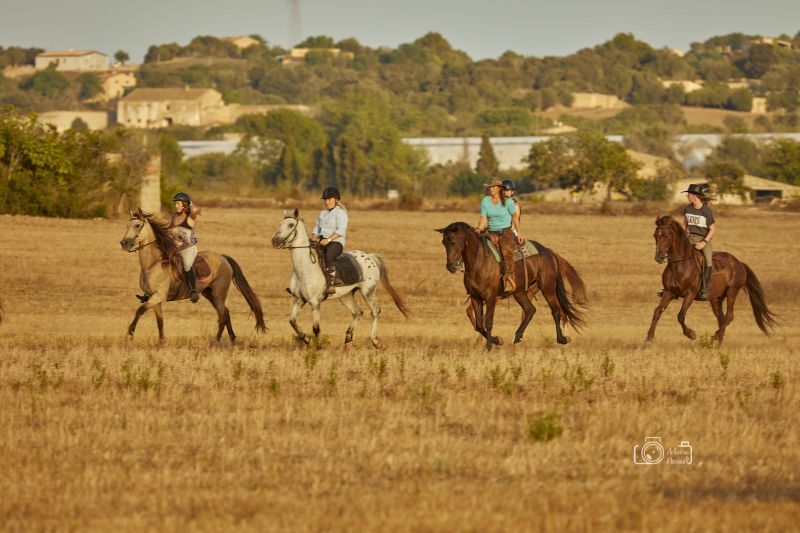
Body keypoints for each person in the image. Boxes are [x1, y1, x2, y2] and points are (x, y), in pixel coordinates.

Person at [475, 177, 523, 292]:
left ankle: (509, 276)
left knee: (506, 251)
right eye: (489, 187)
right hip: (490, 231)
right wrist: (478, 229)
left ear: (499, 188)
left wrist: (519, 232)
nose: (490, 189)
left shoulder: (509, 202)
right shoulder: (485, 201)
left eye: (493, 187)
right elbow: (483, 218)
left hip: (505, 231)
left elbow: (515, 218)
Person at [311, 186, 348, 295]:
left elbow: (341, 231)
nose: (327, 202)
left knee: (328, 256)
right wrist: (313, 237)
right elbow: (316, 229)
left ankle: (331, 283)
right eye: (325, 200)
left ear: (336, 200)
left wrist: (329, 240)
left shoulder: (341, 214)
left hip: (336, 243)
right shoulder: (322, 213)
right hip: (322, 241)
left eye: (329, 199)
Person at [682, 183, 716, 301]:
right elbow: (685, 225)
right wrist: (684, 237)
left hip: (703, 239)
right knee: (676, 255)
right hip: (690, 238)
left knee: (708, 261)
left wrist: (704, 242)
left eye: (688, 194)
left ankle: (705, 289)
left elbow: (712, 229)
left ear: (694, 196)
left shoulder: (706, 211)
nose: (687, 197)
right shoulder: (688, 208)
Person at [169, 192, 201, 303]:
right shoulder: (174, 217)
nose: (175, 205)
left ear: (184, 205)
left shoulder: (190, 218)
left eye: (178, 203)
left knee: (187, 265)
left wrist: (190, 204)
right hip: (175, 249)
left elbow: (196, 211)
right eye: (175, 203)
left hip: (188, 248)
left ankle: (193, 291)